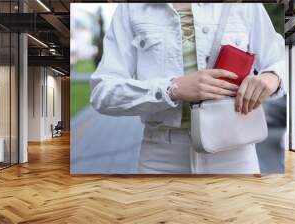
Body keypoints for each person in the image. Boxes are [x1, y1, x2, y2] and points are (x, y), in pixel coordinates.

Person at [91, 3, 285, 174]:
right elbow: (103, 92)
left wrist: (272, 76)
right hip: (160, 158)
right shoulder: (131, 8)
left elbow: (279, 60)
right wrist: (171, 89)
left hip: (236, 154)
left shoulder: (245, 6)